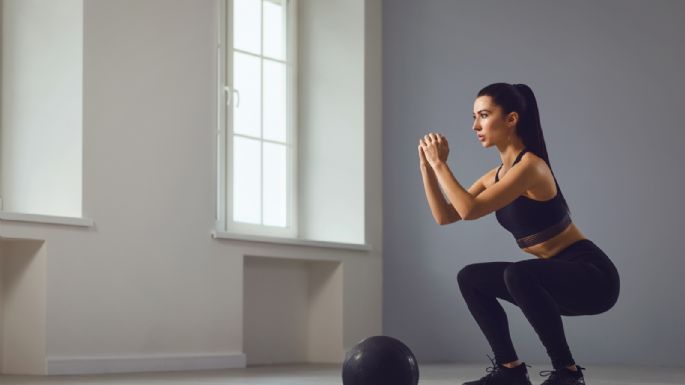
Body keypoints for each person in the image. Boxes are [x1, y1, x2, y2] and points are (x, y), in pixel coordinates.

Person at [417, 83, 620, 385]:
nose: (475, 126)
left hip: (593, 278)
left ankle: (568, 373)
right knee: (470, 277)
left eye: (483, 115)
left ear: (511, 119)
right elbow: (447, 216)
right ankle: (509, 370)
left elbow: (470, 209)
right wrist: (427, 167)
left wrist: (440, 163)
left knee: (519, 274)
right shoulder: (495, 176)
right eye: (474, 117)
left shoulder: (532, 168)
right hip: (552, 282)